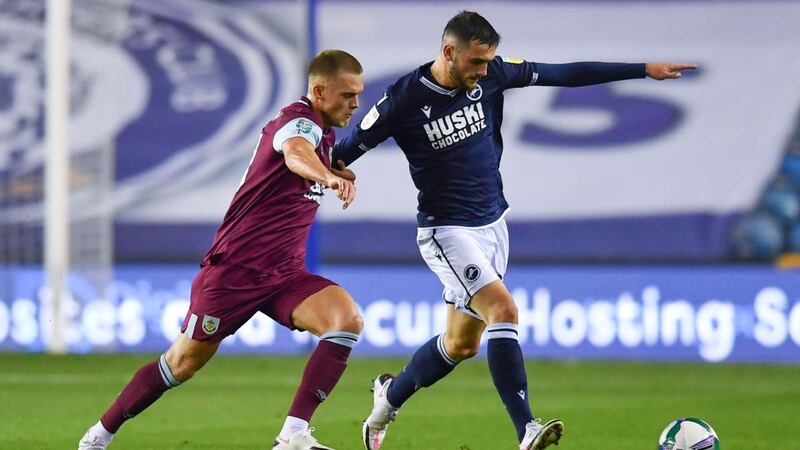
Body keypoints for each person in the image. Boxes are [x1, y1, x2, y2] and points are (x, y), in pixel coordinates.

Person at [332, 11, 696, 450]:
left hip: (493, 224)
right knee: (503, 311)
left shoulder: (493, 75)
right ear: (449, 52)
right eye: (477, 62)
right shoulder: (403, 99)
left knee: (460, 344)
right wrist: (331, 176)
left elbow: (565, 74)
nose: (485, 71)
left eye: (489, 62)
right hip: (446, 232)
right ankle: (527, 429)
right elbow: (343, 151)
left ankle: (387, 399)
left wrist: (641, 70)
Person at [79, 49, 365, 450]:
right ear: (318, 91)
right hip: (236, 271)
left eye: (358, 95)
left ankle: (293, 436)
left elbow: (305, 157)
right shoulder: (297, 122)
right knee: (180, 365)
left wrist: (332, 168)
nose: (355, 104)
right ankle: (97, 437)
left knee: (345, 319)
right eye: (348, 95)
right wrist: (327, 177)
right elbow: (296, 153)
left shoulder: (323, 131)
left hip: (285, 274)